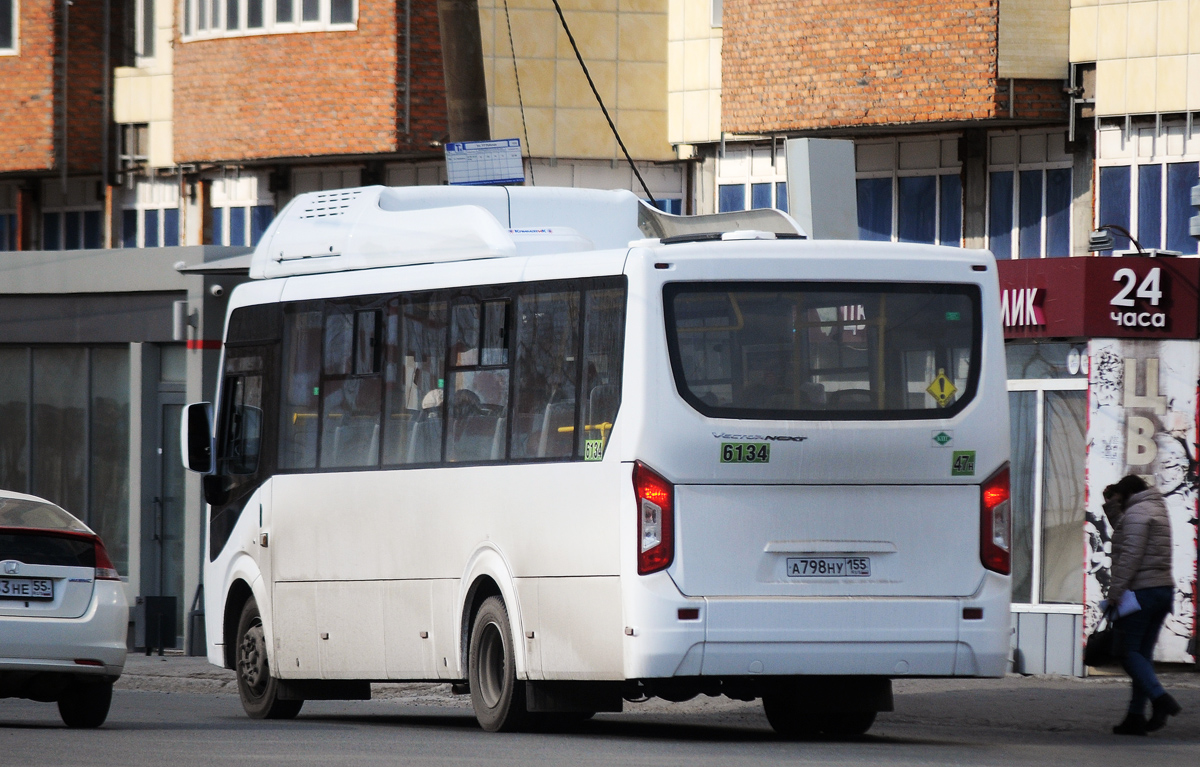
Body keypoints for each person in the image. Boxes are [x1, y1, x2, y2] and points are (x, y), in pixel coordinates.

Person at [1103, 475, 1183, 736]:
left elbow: (1130, 554)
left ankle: (1161, 700)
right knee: (1142, 656)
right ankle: (1135, 717)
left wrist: (1115, 591)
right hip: (1162, 591)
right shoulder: (1153, 507)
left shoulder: (1138, 511)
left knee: (1128, 653)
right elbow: (1126, 535)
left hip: (1142, 593)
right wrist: (1113, 507)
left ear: (1126, 494)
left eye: (1117, 497)